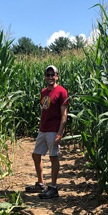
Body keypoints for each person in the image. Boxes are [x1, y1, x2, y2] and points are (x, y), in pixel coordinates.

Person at [25, 65, 68, 199]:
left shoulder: (62, 92)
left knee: (53, 157)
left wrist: (60, 134)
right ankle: (41, 183)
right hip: (43, 129)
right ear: (45, 76)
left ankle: (53, 188)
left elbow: (64, 115)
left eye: (52, 75)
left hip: (53, 130)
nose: (50, 77)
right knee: (36, 155)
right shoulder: (43, 92)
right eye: (48, 75)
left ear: (57, 76)